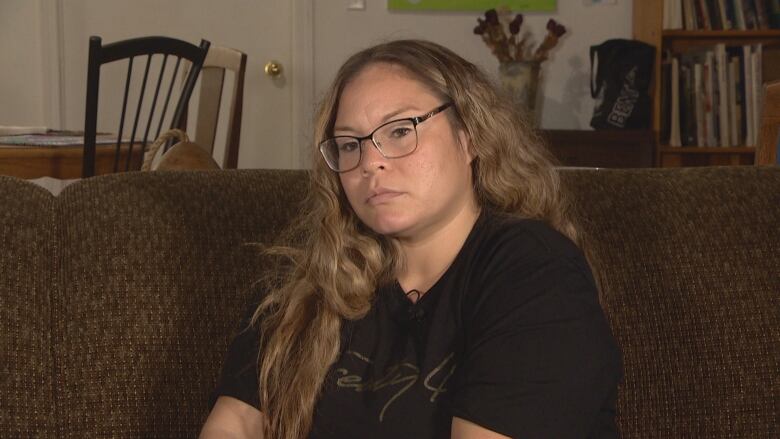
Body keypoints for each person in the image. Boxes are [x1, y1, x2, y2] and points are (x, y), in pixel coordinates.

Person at [200, 39, 622, 439]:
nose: (370, 163)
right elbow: (235, 421)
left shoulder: (536, 272)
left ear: (469, 135)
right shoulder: (311, 277)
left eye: (400, 131)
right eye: (349, 145)